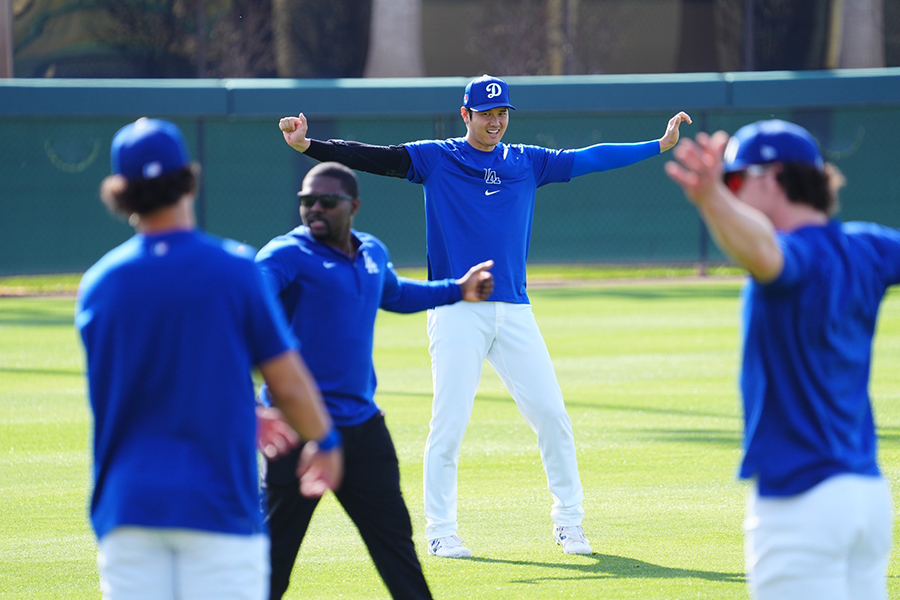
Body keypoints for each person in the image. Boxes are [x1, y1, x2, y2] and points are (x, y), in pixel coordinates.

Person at [277, 74, 692, 557]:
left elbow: (590, 158)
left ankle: (570, 522)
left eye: (502, 114)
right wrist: (309, 145)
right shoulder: (438, 156)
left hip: (514, 310)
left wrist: (659, 144)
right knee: (448, 424)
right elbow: (378, 156)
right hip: (456, 308)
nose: (495, 121)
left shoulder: (526, 161)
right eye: (486, 113)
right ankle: (441, 530)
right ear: (465, 114)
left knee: (553, 416)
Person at [76, 118, 343, 600]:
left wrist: (241, 412)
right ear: (189, 180)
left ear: (121, 192)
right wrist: (324, 439)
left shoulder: (100, 284)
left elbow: (142, 388)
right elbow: (286, 381)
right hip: (215, 506)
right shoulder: (233, 269)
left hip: (129, 509)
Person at [665, 119, 897, 600]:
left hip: (801, 506)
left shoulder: (793, 258)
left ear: (773, 177)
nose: (729, 192)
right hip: (868, 498)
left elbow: (765, 250)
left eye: (735, 180)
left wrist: (710, 198)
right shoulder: (869, 247)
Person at [256, 161, 494, 598]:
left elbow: (395, 292)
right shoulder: (285, 255)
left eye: (327, 201)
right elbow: (249, 306)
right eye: (307, 202)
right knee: (270, 565)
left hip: (362, 430)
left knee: (397, 551)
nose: (314, 210)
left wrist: (456, 290)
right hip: (295, 432)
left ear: (354, 206)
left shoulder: (371, 252)